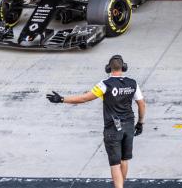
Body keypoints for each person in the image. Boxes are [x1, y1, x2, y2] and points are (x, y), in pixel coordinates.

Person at [46, 55, 146, 188]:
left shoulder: (105, 84)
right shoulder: (133, 83)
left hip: (113, 128)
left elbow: (84, 98)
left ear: (108, 68)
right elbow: (141, 104)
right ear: (124, 67)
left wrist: (62, 99)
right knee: (124, 159)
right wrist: (140, 123)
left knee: (115, 163)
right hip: (128, 126)